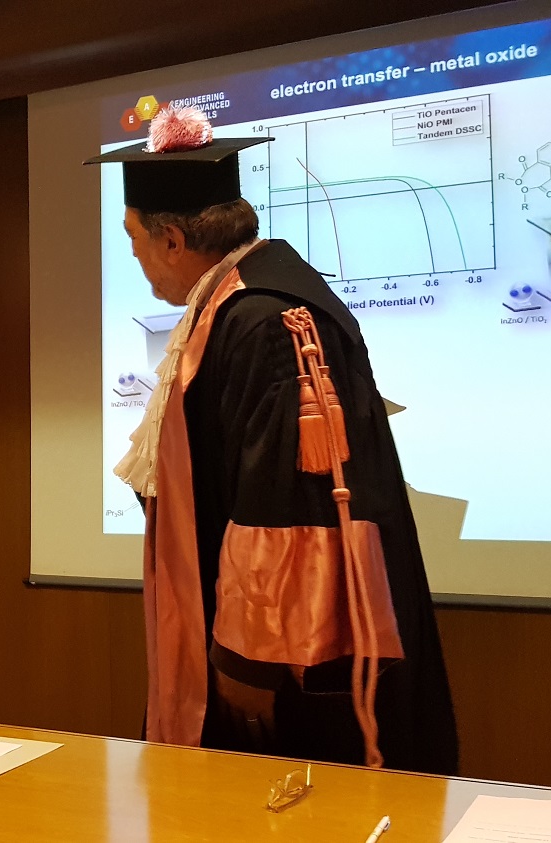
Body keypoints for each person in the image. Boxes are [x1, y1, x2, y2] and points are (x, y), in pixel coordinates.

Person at [88, 107, 458, 773]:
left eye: (134, 239)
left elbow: (286, 498)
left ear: (172, 239)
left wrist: (250, 658)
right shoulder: (233, 306)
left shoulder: (263, 320)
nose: (135, 257)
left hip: (291, 653)